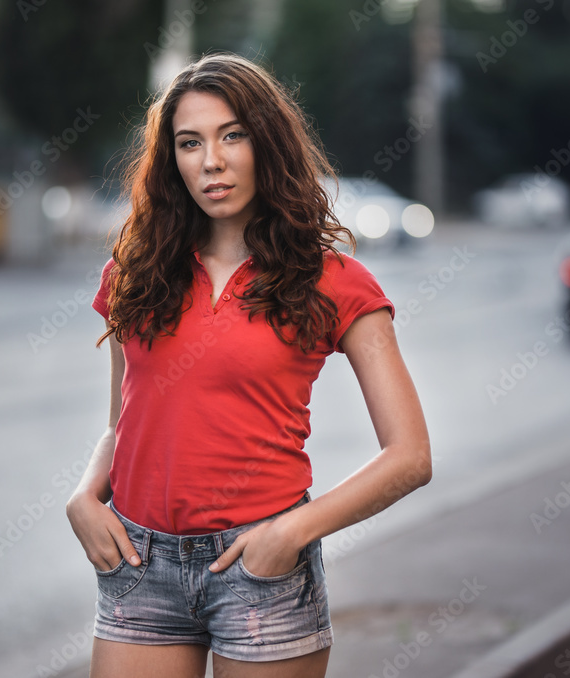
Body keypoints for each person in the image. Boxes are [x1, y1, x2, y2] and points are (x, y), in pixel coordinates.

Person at [66, 52, 432, 678]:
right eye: (189, 143)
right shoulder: (135, 273)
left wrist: (290, 534)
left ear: (267, 143)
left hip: (261, 570)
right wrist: (84, 497)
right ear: (170, 161)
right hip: (138, 568)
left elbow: (410, 456)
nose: (211, 160)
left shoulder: (335, 282)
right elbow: (121, 423)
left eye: (232, 134)